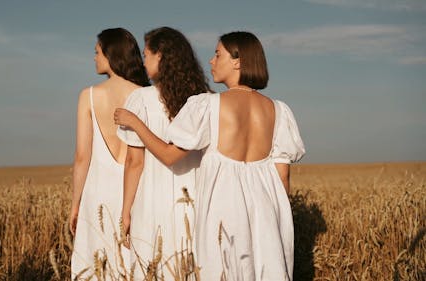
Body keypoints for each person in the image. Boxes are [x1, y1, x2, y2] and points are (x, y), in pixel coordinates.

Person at [114, 31, 305, 281]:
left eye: (217, 54)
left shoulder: (208, 105)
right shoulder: (280, 111)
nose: (212, 61)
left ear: (237, 61)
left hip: (223, 209)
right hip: (268, 213)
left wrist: (136, 123)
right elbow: (283, 176)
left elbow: (170, 156)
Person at [117, 26, 211, 279]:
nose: (143, 60)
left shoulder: (140, 100)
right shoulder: (206, 100)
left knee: (152, 267)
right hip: (195, 199)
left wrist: (125, 211)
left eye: (147, 54)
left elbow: (134, 162)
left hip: (152, 199)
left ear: (161, 56)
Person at [69, 27, 150, 280]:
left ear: (110, 54)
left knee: (97, 263)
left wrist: (75, 204)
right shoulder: (146, 95)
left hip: (98, 191)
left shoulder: (89, 96)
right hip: (136, 188)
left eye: (97, 52)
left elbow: (83, 157)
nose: (94, 58)